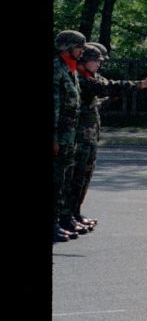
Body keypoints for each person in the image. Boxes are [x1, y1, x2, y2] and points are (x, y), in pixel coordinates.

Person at [67, 43, 147, 234]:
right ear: (84, 60)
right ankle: (66, 216)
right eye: (96, 61)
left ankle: (74, 214)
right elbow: (107, 88)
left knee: (83, 176)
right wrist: (140, 85)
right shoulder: (79, 77)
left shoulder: (89, 76)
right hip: (77, 137)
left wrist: (117, 95)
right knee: (73, 177)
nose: (99, 65)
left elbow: (102, 96)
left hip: (88, 135)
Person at [53, 30, 86, 243]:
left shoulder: (69, 69)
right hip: (60, 135)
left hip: (68, 135)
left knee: (62, 180)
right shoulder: (56, 69)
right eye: (78, 47)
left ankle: (59, 220)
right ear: (66, 47)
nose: (82, 51)